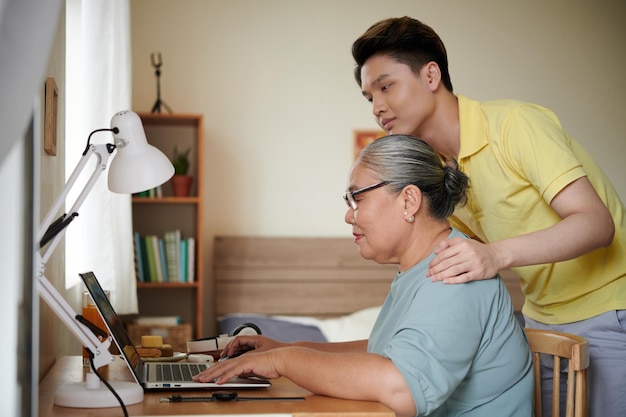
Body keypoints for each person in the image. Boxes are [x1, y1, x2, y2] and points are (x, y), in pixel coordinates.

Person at [351, 16, 626, 417]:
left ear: (431, 75)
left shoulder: (514, 125)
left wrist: (496, 255)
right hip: (537, 325)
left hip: (607, 313)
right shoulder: (442, 172)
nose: (377, 106)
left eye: (386, 86)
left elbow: (597, 223)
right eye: (368, 97)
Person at [195, 135, 533, 417]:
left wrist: (285, 360)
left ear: (409, 201)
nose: (348, 215)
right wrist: (287, 348)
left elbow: (401, 387)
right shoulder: (422, 267)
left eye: (357, 197)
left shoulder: (453, 270)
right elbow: (382, 352)